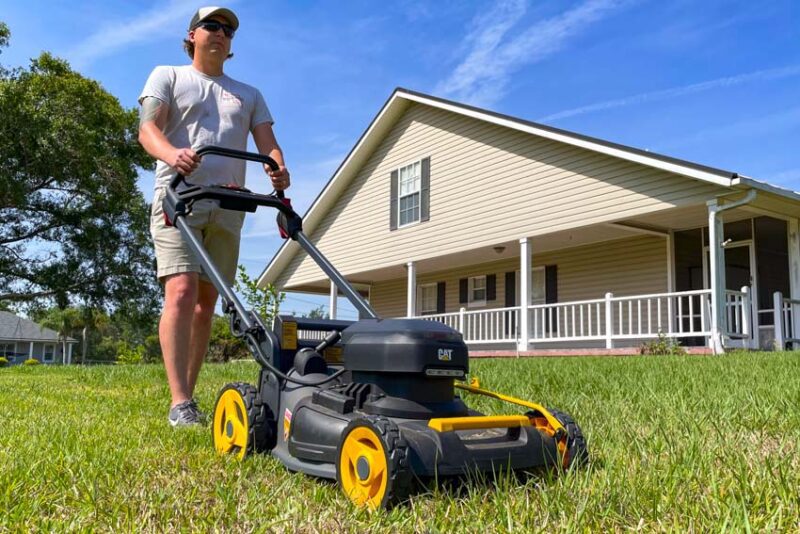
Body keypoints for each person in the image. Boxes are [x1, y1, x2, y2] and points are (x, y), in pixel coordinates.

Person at [138, 6, 290, 426]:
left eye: (228, 30)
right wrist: (173, 154)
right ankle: (179, 401)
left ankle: (187, 395)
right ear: (191, 35)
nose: (220, 34)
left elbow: (268, 142)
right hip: (178, 198)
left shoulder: (249, 93)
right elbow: (147, 130)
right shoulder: (167, 75)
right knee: (182, 290)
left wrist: (277, 166)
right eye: (212, 26)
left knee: (208, 302)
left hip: (229, 203)